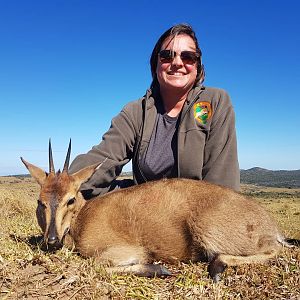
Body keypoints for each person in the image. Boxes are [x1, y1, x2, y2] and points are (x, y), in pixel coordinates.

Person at [69, 23, 240, 199]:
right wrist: (67, 183)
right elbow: (104, 158)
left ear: (197, 67)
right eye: (167, 55)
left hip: (197, 213)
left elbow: (222, 183)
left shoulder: (216, 101)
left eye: (188, 56)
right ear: (155, 64)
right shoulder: (136, 111)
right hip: (147, 214)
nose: (177, 63)